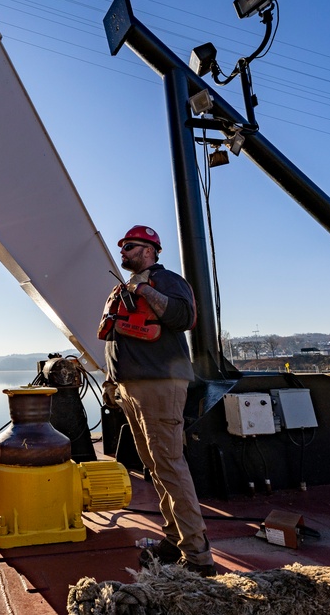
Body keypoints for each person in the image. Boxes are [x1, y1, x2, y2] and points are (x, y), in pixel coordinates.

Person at [99, 225, 216, 577]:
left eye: (130, 247)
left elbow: (184, 317)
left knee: (169, 463)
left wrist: (146, 289)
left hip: (160, 384)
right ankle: (174, 537)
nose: (124, 252)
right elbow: (116, 336)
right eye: (123, 247)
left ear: (150, 250)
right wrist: (110, 380)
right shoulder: (124, 288)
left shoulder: (167, 281)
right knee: (155, 465)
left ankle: (198, 557)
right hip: (130, 386)